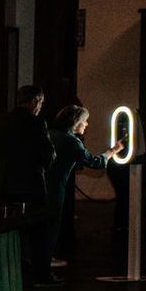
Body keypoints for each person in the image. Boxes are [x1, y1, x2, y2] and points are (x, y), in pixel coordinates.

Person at [0, 84, 56, 285]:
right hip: (32, 182)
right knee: (39, 231)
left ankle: (15, 273)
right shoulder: (36, 122)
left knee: (12, 230)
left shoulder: (3, 122)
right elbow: (47, 154)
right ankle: (41, 274)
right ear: (35, 102)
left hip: (9, 181)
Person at [45, 106, 119, 263]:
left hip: (41, 185)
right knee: (52, 222)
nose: (86, 124)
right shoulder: (71, 141)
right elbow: (95, 162)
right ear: (75, 122)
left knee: (42, 223)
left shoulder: (49, 135)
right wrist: (113, 151)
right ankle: (46, 260)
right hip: (55, 187)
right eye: (85, 121)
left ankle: (40, 257)